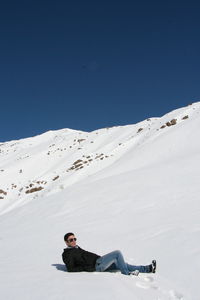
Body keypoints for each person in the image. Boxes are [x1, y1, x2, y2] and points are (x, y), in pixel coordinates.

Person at [62, 232, 156, 276]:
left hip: (99, 261)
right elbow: (70, 268)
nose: (74, 241)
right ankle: (126, 273)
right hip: (96, 265)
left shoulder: (76, 248)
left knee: (123, 264)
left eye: (74, 239)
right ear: (66, 242)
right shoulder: (67, 254)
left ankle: (148, 269)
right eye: (71, 240)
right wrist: (86, 268)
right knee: (117, 253)